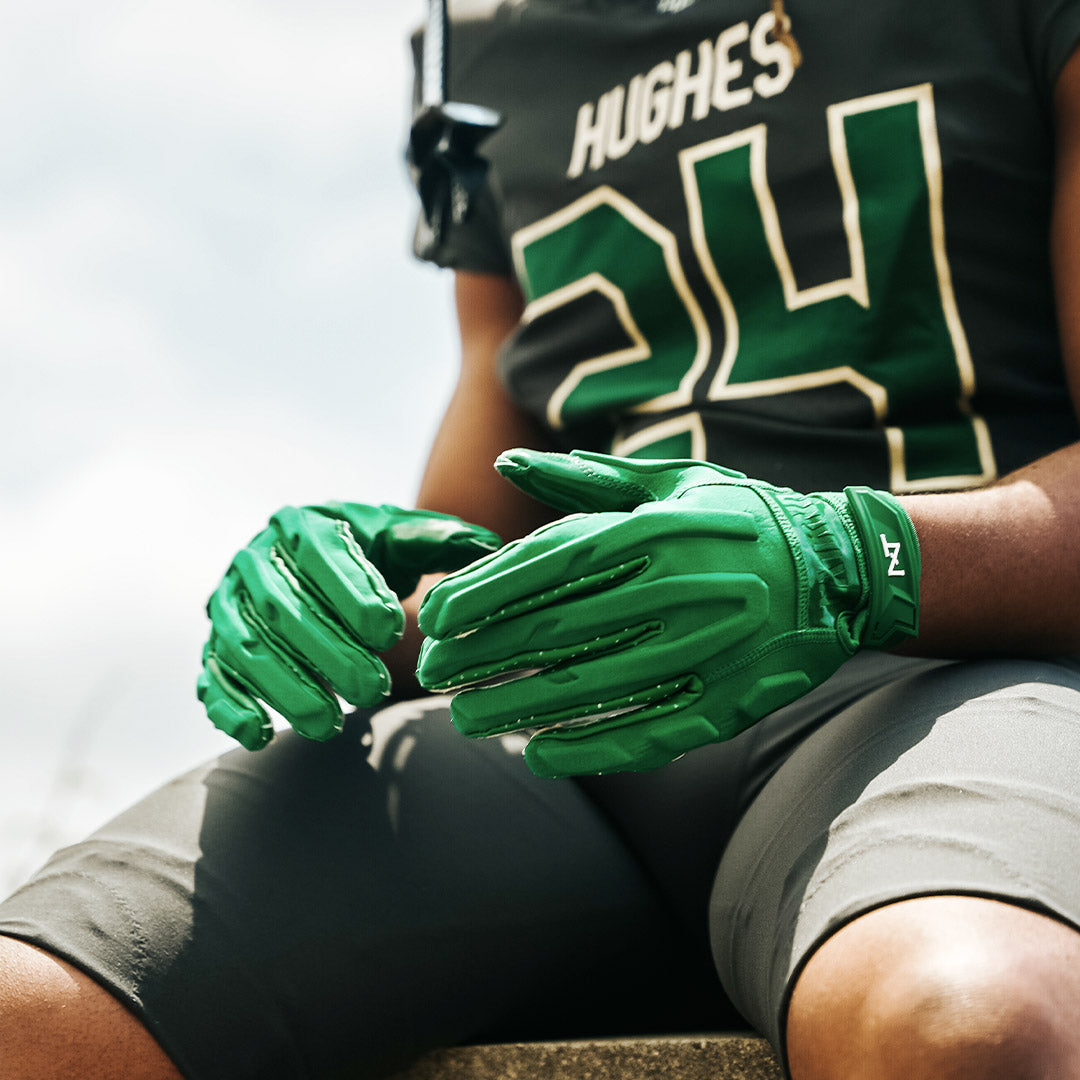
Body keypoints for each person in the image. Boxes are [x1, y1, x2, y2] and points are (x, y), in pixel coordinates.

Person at [2, 0, 1080, 1077]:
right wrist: (359, 604)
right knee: (28, 1017)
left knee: (962, 1028)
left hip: (939, 677)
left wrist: (857, 559)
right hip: (550, 728)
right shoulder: (488, 37)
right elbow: (485, 516)